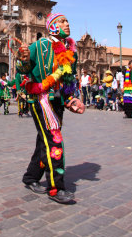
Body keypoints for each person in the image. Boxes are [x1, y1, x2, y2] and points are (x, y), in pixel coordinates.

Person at [17, 13, 85, 205]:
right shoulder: (39, 46)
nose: (67, 23)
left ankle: (30, 177)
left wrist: (70, 99)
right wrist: (22, 60)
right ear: (51, 26)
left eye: (68, 20)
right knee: (54, 141)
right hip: (41, 100)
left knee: (43, 142)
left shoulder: (72, 51)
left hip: (57, 103)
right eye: (62, 21)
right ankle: (56, 188)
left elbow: (68, 81)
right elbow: (23, 71)